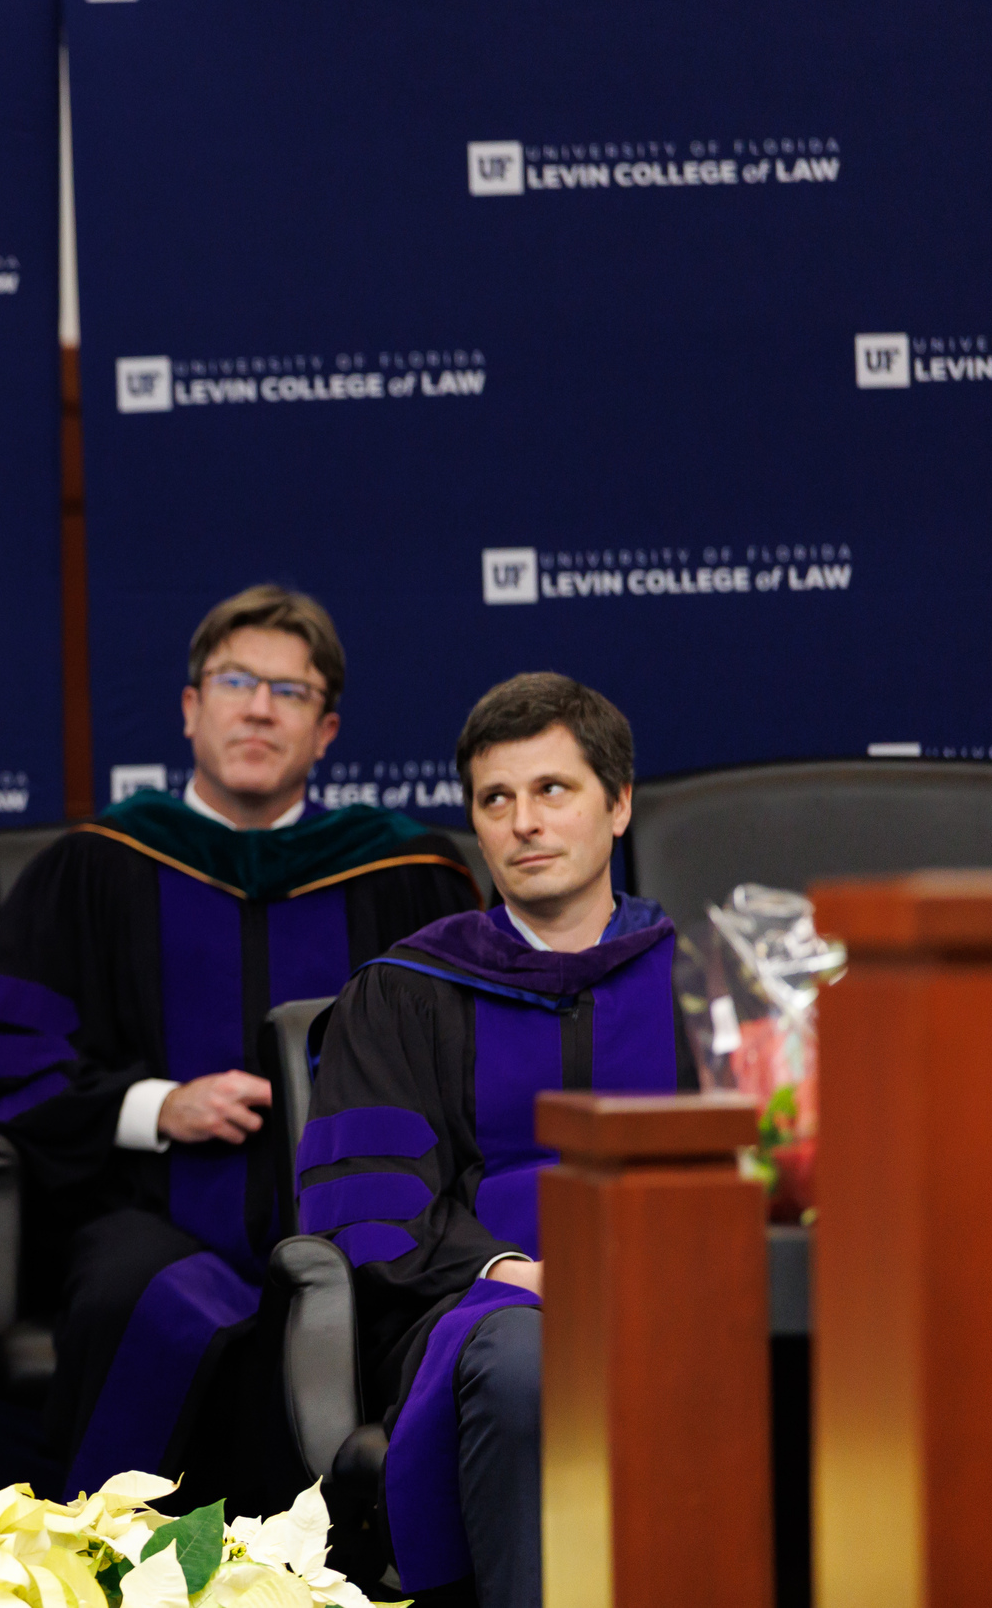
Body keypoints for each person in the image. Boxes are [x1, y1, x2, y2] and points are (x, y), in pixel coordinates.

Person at [0, 586, 479, 1504]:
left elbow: (468, 1076)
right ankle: (107, 1561)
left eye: (290, 690)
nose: (260, 706)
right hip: (150, 1212)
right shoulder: (92, 868)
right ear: (192, 709)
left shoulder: (408, 878)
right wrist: (157, 1105)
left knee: (400, 1303)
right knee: (141, 1299)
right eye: (236, 681)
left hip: (357, 1222)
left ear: (327, 730)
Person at [299, 673, 691, 1608]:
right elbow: (370, 1207)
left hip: (683, 1283)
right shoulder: (404, 990)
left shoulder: (700, 979)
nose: (524, 821)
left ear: (620, 802)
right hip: (480, 1306)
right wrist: (518, 1270)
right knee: (527, 1361)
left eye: (553, 789)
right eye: (496, 798)